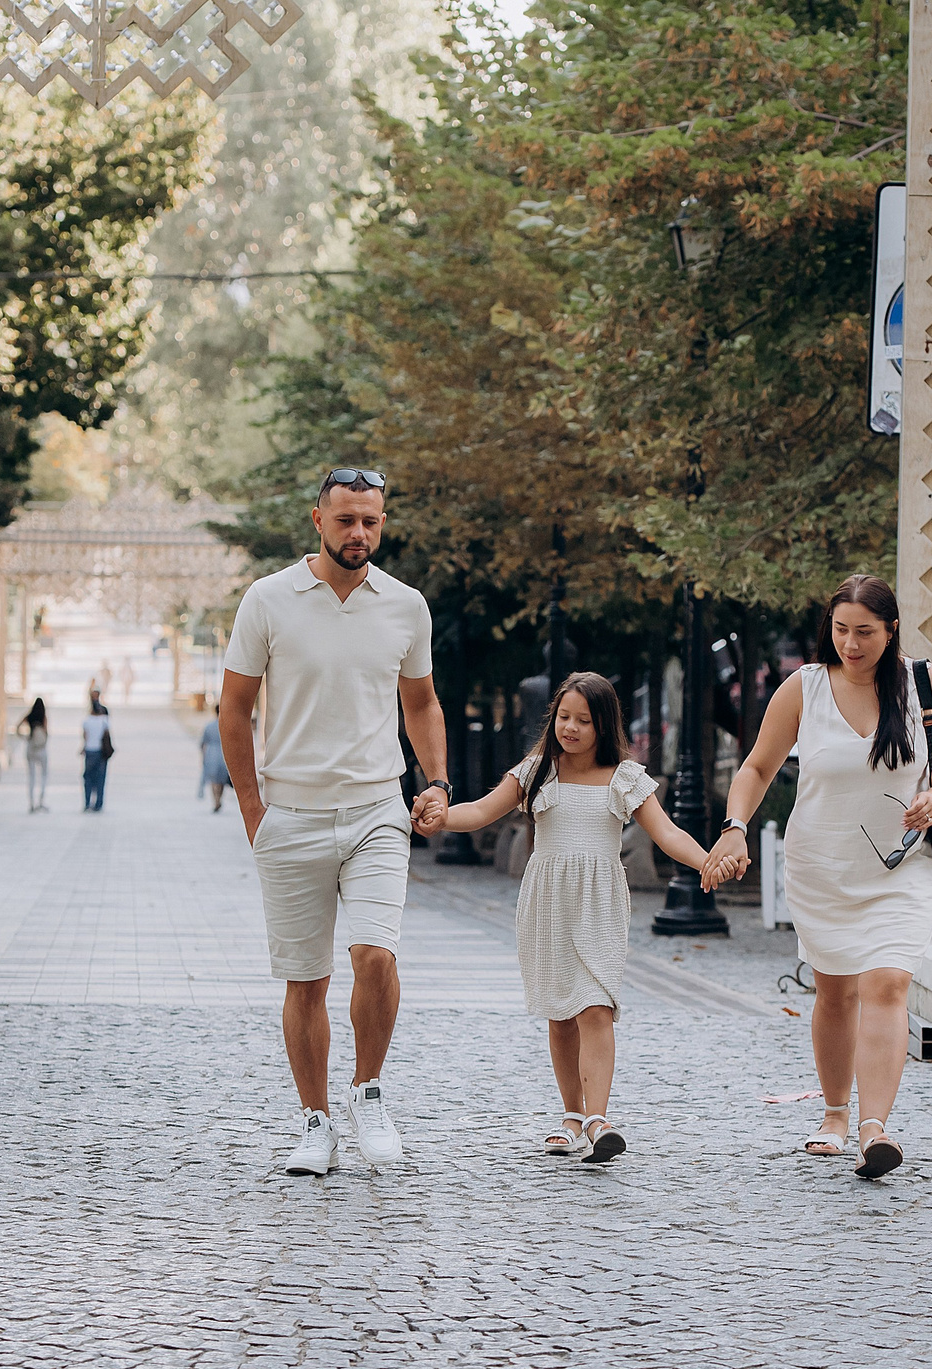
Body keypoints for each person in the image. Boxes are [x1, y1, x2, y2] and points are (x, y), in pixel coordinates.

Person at [705, 575, 932, 1181]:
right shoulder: (804, 689)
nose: (850, 645)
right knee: (835, 991)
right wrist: (734, 826)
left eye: (865, 633)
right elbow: (756, 768)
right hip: (822, 864)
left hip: (903, 866)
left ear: (892, 630)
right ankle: (834, 1113)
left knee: (886, 984)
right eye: (841, 630)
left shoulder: (925, 684)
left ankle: (875, 1129)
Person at [220, 466, 449, 1178]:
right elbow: (233, 709)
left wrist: (436, 780)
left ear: (383, 523)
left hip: (379, 806)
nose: (359, 533)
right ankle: (315, 1121)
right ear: (317, 520)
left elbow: (421, 702)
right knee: (306, 980)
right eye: (346, 519)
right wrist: (255, 809)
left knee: (375, 953)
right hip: (290, 813)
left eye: (371, 522)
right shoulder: (268, 600)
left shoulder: (406, 606)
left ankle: (367, 1091)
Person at [435, 671, 714, 1163]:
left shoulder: (625, 777)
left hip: (600, 903)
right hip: (547, 903)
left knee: (596, 1007)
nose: (571, 728)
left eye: (583, 720)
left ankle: (599, 1118)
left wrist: (708, 860)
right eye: (564, 717)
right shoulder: (536, 771)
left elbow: (669, 835)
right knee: (561, 1014)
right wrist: (440, 817)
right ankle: (571, 1114)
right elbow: (480, 811)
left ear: (604, 725)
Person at [81, 696, 113, 812]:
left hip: (89, 751)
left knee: (88, 778)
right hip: (100, 752)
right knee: (100, 778)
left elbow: (85, 736)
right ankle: (98, 803)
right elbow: (107, 736)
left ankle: (87, 802)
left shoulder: (86, 720)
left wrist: (84, 747)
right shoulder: (104, 720)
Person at [20, 697, 51, 813]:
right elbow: (47, 733)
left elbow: (18, 727)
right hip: (41, 749)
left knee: (31, 776)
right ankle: (41, 801)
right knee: (43, 775)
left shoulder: (29, 716)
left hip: (31, 747)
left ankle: (31, 802)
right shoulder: (43, 718)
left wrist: (26, 738)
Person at [200, 714, 232, 812]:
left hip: (211, 754)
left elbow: (203, 743)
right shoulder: (228, 726)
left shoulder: (209, 726)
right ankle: (219, 799)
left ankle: (216, 800)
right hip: (224, 754)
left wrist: (203, 757)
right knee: (221, 780)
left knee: (214, 780)